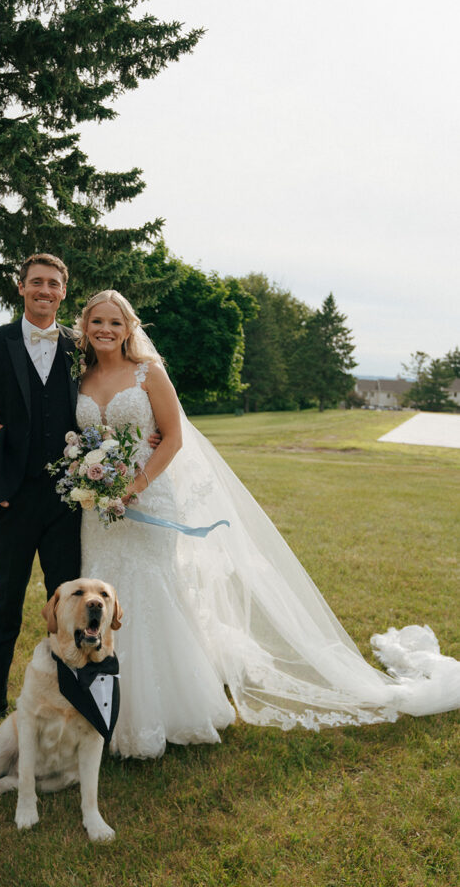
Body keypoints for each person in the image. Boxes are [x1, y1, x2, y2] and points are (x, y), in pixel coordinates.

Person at [75, 290, 460, 759]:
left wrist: (134, 485)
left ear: (129, 327)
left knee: (150, 595)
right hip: (98, 510)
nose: (106, 329)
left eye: (115, 322)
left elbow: (173, 438)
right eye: (98, 321)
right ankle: (95, 708)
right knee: (101, 595)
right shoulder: (81, 376)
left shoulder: (148, 373)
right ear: (85, 325)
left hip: (148, 499)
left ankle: (161, 713)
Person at [0, 253, 82, 736]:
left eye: (54, 284)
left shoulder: (81, 344)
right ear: (22, 288)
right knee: (5, 601)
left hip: (68, 503)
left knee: (68, 605)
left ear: (63, 292)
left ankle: (75, 699)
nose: (45, 291)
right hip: (11, 500)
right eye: (36, 283)